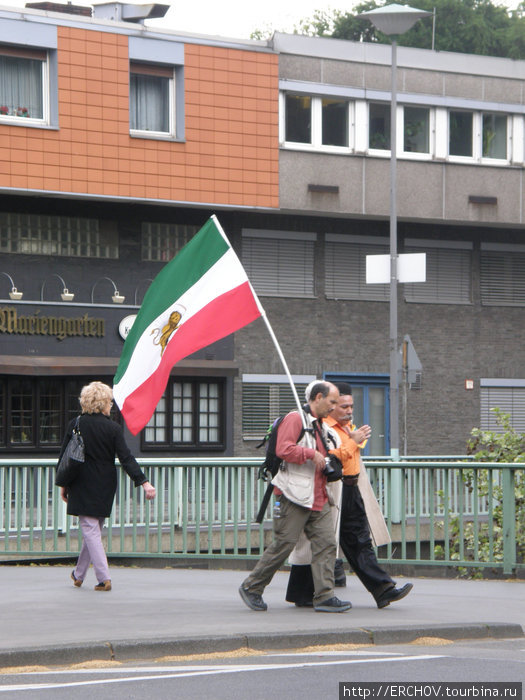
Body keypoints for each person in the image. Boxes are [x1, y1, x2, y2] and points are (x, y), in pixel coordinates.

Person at [286, 382, 413, 609]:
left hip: (350, 488)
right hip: (333, 489)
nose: (348, 410)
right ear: (328, 405)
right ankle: (298, 591)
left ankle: (383, 589)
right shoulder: (323, 427)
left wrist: (353, 439)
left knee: (356, 540)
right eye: (340, 405)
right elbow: (329, 458)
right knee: (320, 542)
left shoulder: (345, 427)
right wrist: (352, 442)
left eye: (349, 406)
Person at [239, 381, 352, 613]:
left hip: (316, 495)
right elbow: (283, 449)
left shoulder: (319, 425)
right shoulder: (295, 419)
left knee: (327, 544)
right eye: (332, 402)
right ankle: (252, 587)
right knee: (284, 543)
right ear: (318, 397)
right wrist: (311, 454)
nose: (334, 407)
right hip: (293, 495)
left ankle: (324, 596)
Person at [58, 381, 156, 591]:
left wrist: (63, 484)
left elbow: (65, 457)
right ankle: (78, 574)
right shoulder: (113, 428)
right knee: (92, 530)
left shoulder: (75, 424)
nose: (111, 405)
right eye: (109, 402)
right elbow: (126, 458)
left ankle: (104, 578)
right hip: (105, 483)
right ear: (102, 404)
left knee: (90, 531)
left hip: (81, 483)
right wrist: (144, 482)